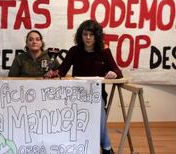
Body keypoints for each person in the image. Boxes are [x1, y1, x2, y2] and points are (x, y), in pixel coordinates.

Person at [46, 19, 122, 154]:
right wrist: (53, 73)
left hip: (96, 95)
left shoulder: (104, 51)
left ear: (96, 36)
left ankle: (106, 147)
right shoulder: (74, 50)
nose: (88, 38)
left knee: (98, 106)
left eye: (91, 35)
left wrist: (113, 73)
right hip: (75, 95)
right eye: (85, 34)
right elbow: (62, 71)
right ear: (80, 36)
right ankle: (106, 148)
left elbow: (118, 71)